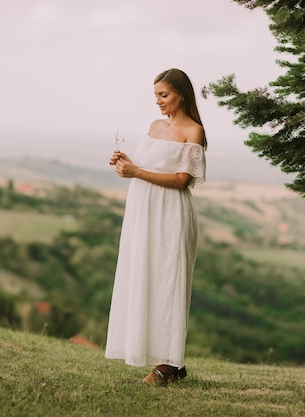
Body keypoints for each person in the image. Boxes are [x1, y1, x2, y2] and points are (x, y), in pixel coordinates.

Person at [105, 68, 206, 385]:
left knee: (168, 282)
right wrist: (126, 164)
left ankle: (168, 365)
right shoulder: (154, 126)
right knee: (143, 276)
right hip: (143, 211)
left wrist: (136, 172)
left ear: (181, 94)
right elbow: (150, 166)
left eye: (164, 95)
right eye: (156, 96)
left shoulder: (194, 131)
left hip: (171, 214)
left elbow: (181, 180)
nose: (159, 102)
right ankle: (159, 359)